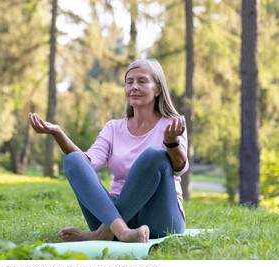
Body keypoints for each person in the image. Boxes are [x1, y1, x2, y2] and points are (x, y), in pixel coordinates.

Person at [28, 58, 188, 243]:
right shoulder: (113, 128)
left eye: (142, 81)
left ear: (158, 89)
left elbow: (179, 167)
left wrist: (171, 142)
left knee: (154, 156)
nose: (134, 87)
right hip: (115, 217)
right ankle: (122, 232)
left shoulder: (172, 123)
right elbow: (87, 163)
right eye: (129, 82)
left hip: (160, 218)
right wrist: (57, 133)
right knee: (74, 160)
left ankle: (100, 235)